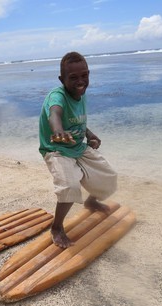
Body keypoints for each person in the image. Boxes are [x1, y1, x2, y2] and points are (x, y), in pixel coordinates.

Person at [39, 52, 117, 248]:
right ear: (62, 79)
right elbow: (55, 114)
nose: (80, 81)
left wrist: (89, 134)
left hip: (78, 146)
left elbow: (76, 120)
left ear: (89, 74)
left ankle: (91, 202)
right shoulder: (57, 96)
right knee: (69, 187)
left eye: (84, 76)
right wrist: (58, 131)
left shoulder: (80, 94)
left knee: (108, 177)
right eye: (73, 78)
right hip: (56, 149)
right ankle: (56, 227)